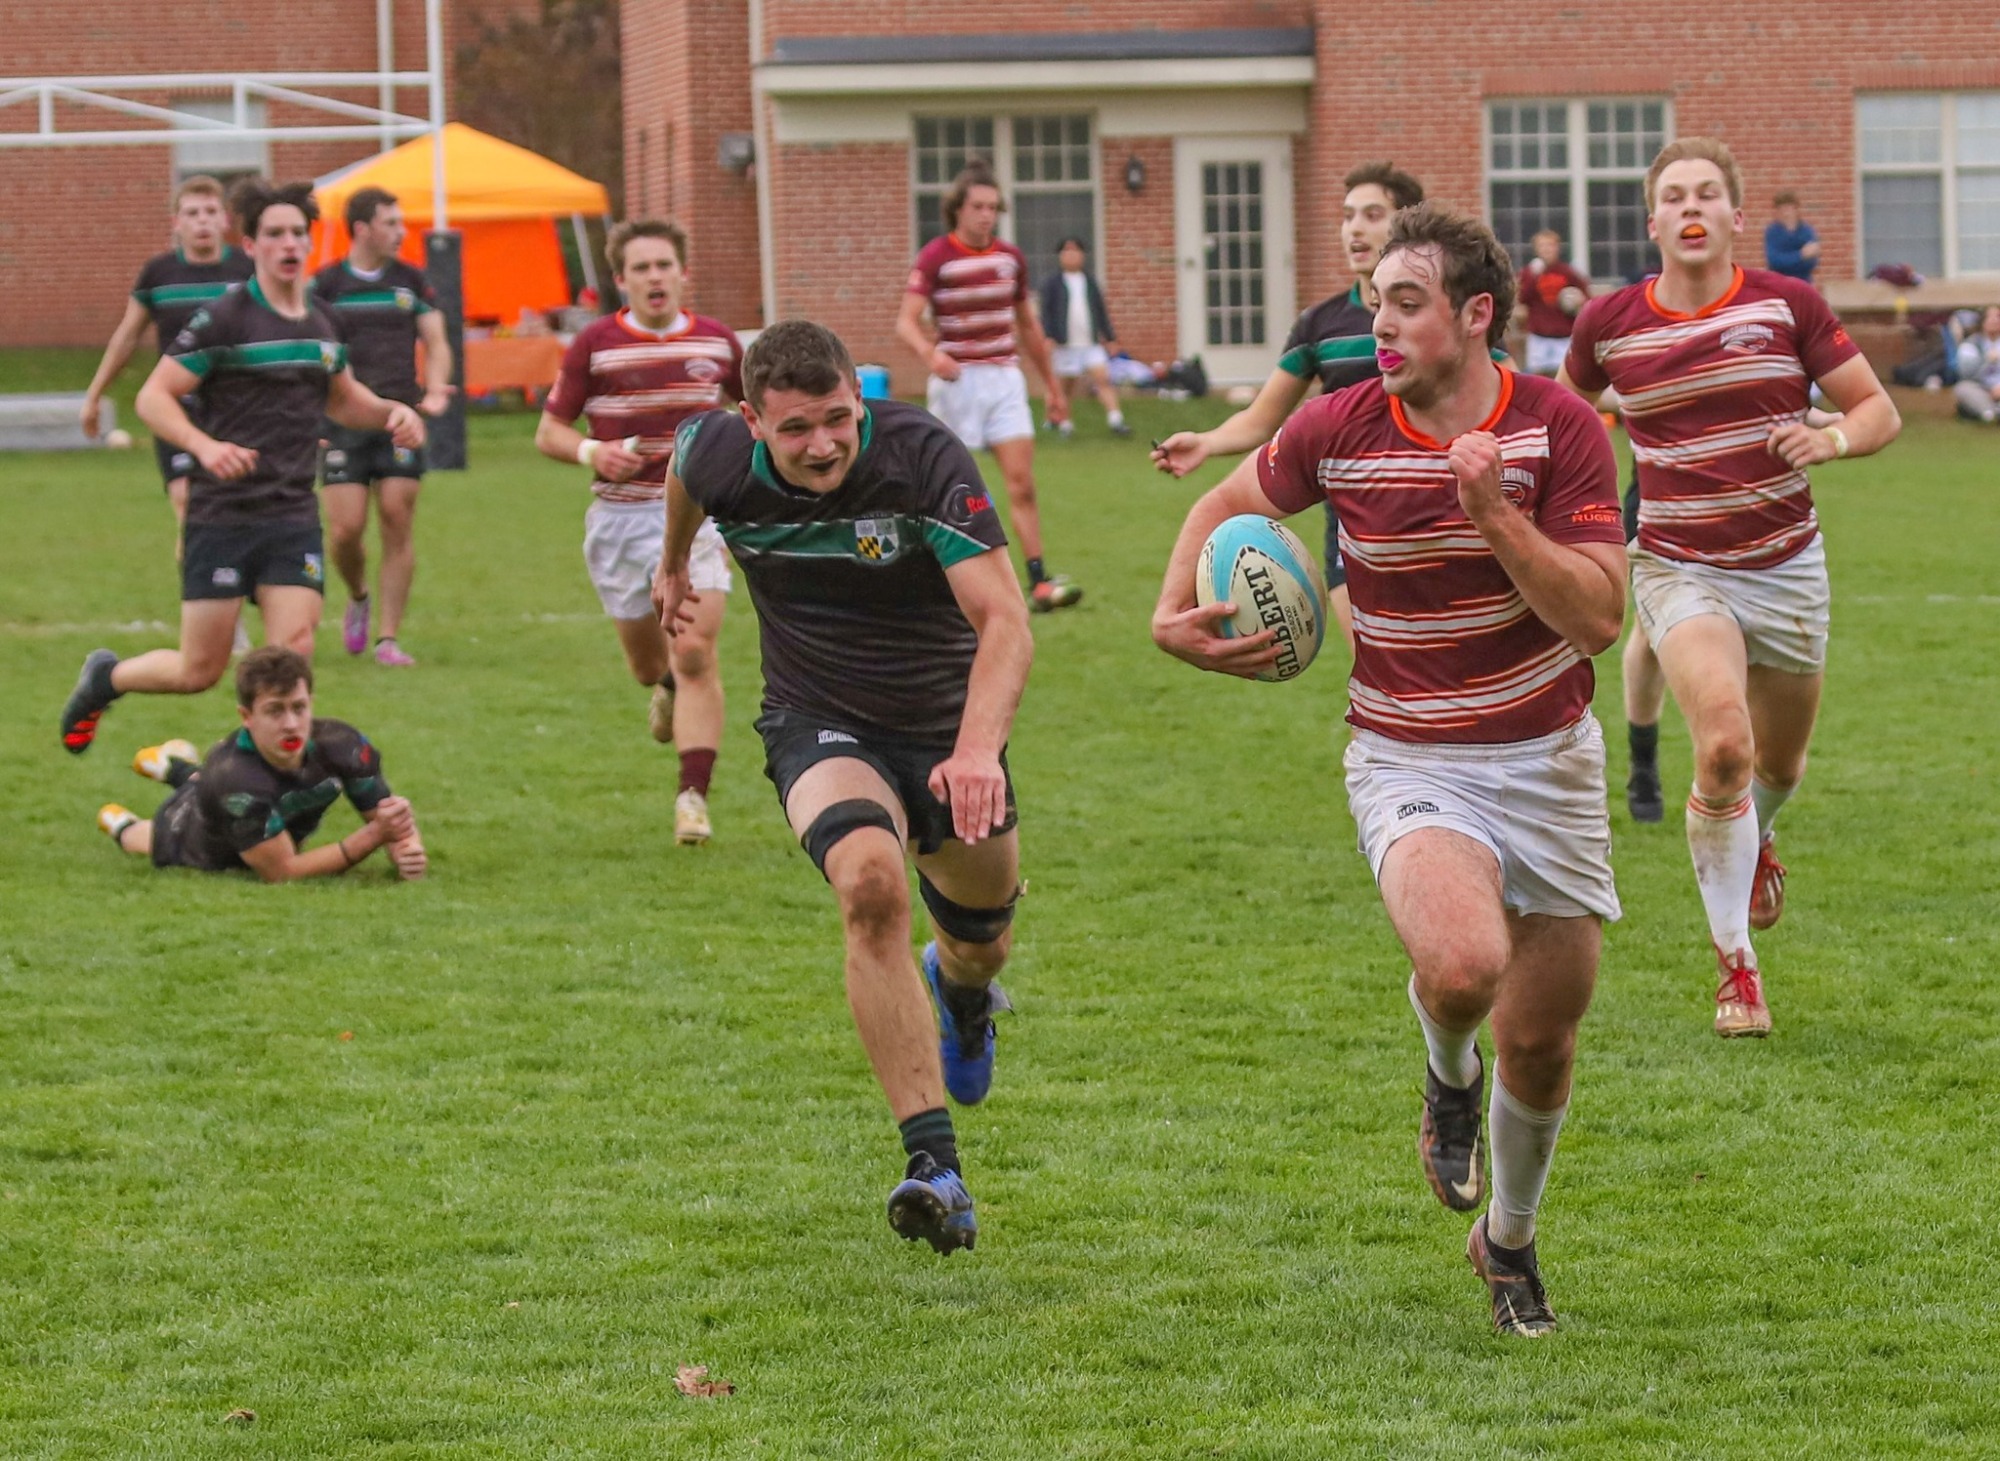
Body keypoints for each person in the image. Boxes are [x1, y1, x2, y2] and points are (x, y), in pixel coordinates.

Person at [1154, 203, 1626, 1337]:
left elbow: (1599, 619)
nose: (1379, 322)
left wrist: (1494, 518)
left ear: (1473, 316)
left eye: (1404, 303)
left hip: (1547, 757)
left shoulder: (1559, 430)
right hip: (1408, 753)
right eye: (1372, 302)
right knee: (1463, 967)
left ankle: (1505, 1240)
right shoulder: (1339, 424)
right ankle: (1444, 1075)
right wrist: (1170, 615)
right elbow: (1225, 503)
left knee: (1546, 1039)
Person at [654, 320, 1034, 1255]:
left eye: (837, 419)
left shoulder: (921, 460)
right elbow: (682, 477)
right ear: (751, 421)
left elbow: (1006, 621)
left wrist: (978, 751)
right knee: (869, 884)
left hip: (948, 727)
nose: (823, 444)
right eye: (795, 429)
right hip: (816, 716)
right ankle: (935, 1165)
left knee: (980, 940)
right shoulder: (716, 453)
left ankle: (965, 992)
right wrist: (671, 562)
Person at [1560, 138, 1901, 1037]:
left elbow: (1878, 410)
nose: (1691, 205)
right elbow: (1562, 421)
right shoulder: (1610, 324)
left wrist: (1830, 440)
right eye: (1673, 195)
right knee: (1721, 749)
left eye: (1708, 191)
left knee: (1779, 767)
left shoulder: (1789, 306)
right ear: (1653, 222)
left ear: (1737, 215)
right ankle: (1736, 970)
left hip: (1788, 566)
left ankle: (1756, 840)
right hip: (1680, 565)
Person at [59, 180, 426, 756]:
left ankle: (257, 785)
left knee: (292, 657)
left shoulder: (323, 323)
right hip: (223, 514)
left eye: (298, 233)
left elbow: (342, 398)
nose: (289, 243)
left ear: (310, 242)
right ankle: (106, 679)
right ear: (250, 245)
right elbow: (154, 398)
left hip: (291, 513)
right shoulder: (225, 318)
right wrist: (203, 447)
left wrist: (391, 413)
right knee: (197, 670)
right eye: (274, 233)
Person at [1152, 161, 1431, 651]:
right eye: (1347, 216)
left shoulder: (1441, 313)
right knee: (1381, 672)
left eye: (1372, 214)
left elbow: (1503, 392)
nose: (1356, 228)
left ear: (1407, 223)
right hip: (1352, 529)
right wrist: (1206, 442)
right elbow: (1263, 417)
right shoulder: (1320, 325)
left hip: (1434, 511)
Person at [534, 220, 740, 846]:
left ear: (683, 273)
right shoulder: (595, 345)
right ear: (621, 280)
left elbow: (757, 411)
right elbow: (549, 431)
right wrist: (592, 453)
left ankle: (692, 798)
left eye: (664, 265)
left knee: (698, 649)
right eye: (642, 268)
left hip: (697, 516)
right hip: (620, 521)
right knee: (649, 663)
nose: (655, 277)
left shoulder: (720, 344)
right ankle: (666, 685)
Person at [896, 158, 1081, 611]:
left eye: (993, 207)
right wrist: (930, 354)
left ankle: (1038, 581)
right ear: (957, 209)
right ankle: (929, 577)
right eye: (978, 206)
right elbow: (905, 321)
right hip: (957, 383)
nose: (986, 215)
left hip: (1004, 381)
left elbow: (1030, 328)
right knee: (944, 487)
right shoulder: (937, 255)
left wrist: (1053, 389)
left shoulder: (1010, 258)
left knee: (1021, 483)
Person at [97, 646, 426, 881]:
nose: (291, 724)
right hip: (195, 833)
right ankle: (120, 821)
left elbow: (388, 817)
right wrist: (374, 836)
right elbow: (284, 871)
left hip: (236, 791)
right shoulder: (234, 781)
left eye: (299, 708)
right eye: (275, 710)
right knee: (149, 837)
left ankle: (174, 766)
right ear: (246, 717)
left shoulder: (343, 745)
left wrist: (406, 850)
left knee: (214, 784)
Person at [312, 187, 454, 667]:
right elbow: (309, 355)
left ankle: (387, 639)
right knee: (345, 531)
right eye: (390, 223)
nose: (401, 231)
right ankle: (358, 596)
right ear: (361, 229)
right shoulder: (325, 286)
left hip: (399, 418)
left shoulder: (411, 282)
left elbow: (436, 341)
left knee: (396, 516)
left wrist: (434, 390)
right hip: (341, 420)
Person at [80, 175, 254, 529]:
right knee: (188, 503)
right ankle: (199, 582)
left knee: (242, 510)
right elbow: (126, 337)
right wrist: (94, 395)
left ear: (224, 220)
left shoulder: (249, 271)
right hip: (177, 407)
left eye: (210, 212)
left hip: (239, 405)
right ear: (177, 223)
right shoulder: (159, 274)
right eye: (192, 213)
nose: (201, 220)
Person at [1036, 237, 1130, 437]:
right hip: (1066, 344)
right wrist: (1048, 336)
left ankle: (1116, 419)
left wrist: (1110, 337)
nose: (1071, 255)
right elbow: (1046, 312)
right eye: (1067, 251)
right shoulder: (1052, 283)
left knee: (1102, 378)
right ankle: (1064, 423)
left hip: (1090, 343)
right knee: (1066, 385)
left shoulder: (1090, 282)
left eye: (1076, 251)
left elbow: (1100, 311)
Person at [1515, 229, 1590, 377]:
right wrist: (1532, 276)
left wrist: (1578, 301)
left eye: (1550, 245)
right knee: (1537, 377)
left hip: (1564, 335)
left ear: (1557, 248)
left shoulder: (1567, 272)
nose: (1546, 249)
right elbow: (1522, 298)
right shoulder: (1529, 273)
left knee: (1566, 376)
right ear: (1536, 249)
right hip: (1539, 336)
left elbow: (1586, 297)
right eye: (1542, 246)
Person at [1952, 305, 2000, 422]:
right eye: (1990, 317)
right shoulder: (1970, 345)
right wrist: (1986, 360)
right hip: (1982, 389)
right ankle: (1989, 413)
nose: (1995, 321)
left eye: (1998, 317)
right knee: (1962, 388)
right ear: (1982, 321)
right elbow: (1967, 375)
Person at [1763, 191, 1821, 285]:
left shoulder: (1807, 231)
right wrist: (1801, 255)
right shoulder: (1772, 232)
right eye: (1781, 210)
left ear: (1796, 210)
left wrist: (1788, 259)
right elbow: (1774, 261)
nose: (1786, 213)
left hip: (1803, 283)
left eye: (1789, 209)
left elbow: (1811, 263)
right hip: (1779, 283)